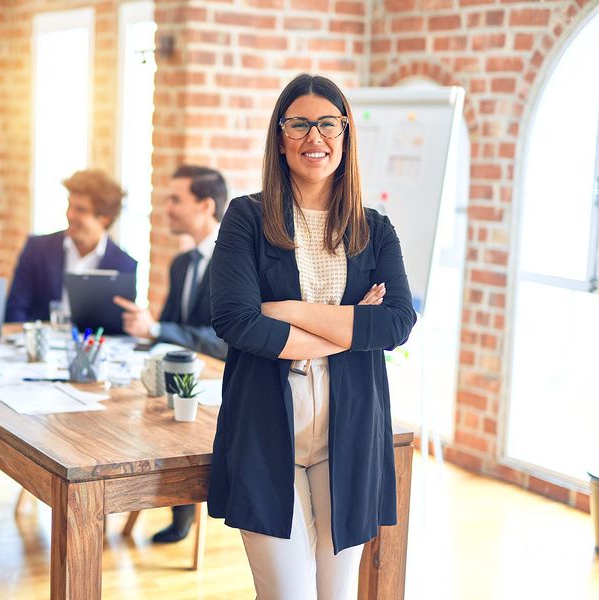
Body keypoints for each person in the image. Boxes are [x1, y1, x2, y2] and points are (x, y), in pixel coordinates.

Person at [207, 74, 416, 600]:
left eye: (328, 124)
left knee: (336, 595)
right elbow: (236, 320)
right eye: (298, 124)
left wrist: (291, 310)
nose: (313, 137)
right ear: (280, 137)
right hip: (264, 430)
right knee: (287, 594)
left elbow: (394, 323)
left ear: (345, 136)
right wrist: (347, 326)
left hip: (351, 435)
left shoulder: (375, 228)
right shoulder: (247, 218)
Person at [113, 164, 228, 543]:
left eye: (176, 199)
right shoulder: (182, 264)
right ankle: (165, 499)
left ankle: (184, 504)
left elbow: (225, 340)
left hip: (219, 385)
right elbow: (168, 329)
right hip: (181, 380)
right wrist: (141, 330)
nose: (167, 208)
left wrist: (158, 330)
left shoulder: (236, 264)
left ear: (205, 206)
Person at [5, 169, 137, 323]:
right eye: (70, 206)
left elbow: (120, 325)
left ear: (104, 219)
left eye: (81, 209)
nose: (70, 215)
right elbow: (15, 311)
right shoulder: (37, 249)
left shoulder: (124, 265)